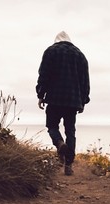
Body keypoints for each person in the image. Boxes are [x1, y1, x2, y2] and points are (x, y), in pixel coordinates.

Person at [36, 31, 90, 175]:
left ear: (56, 40)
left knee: (52, 126)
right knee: (70, 131)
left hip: (54, 98)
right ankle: (68, 166)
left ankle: (59, 143)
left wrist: (41, 94)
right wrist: (84, 100)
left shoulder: (51, 51)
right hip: (73, 101)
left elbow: (44, 74)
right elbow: (85, 80)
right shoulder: (80, 55)